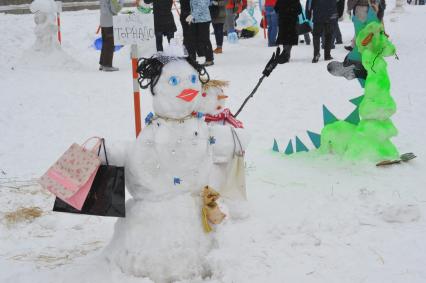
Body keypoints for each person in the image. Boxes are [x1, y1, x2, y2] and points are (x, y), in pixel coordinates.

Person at [188, 0, 215, 66]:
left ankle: (209, 59)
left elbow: (202, 5)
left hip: (204, 19)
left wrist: (192, 15)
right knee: (199, 39)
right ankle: (204, 56)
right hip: (197, 20)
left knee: (205, 39)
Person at [99, 0, 122, 71]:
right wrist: (121, 2)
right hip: (110, 22)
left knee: (105, 43)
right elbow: (115, 10)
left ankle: (103, 64)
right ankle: (107, 65)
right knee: (110, 44)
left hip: (103, 21)